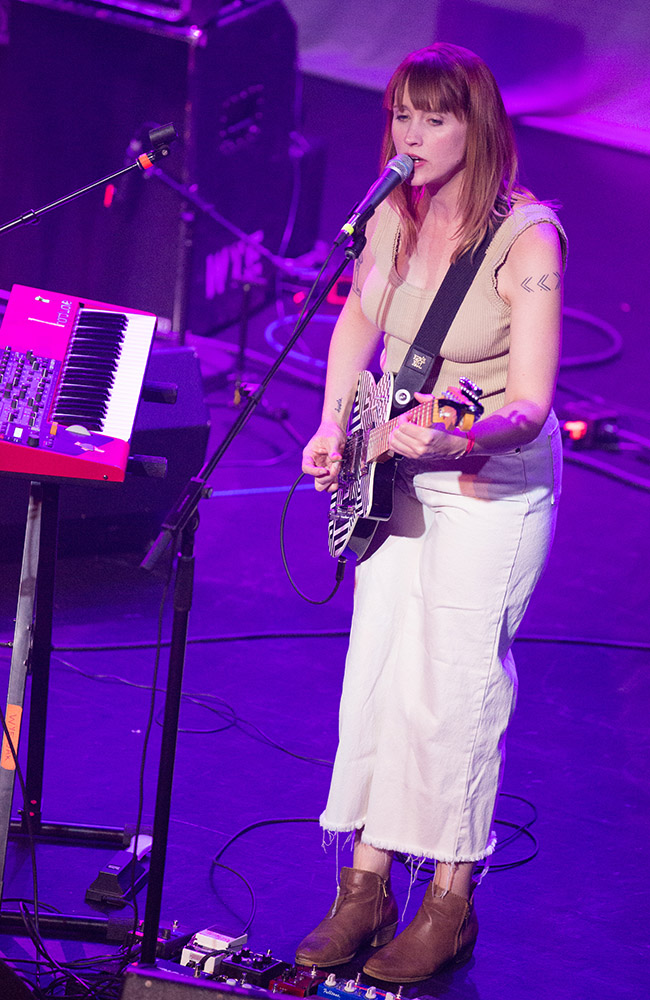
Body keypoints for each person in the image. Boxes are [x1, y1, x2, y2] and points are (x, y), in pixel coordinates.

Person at [296, 42, 567, 982]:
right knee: (378, 671)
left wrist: (459, 440)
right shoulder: (392, 217)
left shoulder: (526, 237)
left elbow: (532, 399)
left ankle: (450, 902)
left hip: (492, 476)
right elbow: (359, 323)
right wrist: (335, 423)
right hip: (393, 465)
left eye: (435, 117)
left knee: (454, 687)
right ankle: (364, 885)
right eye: (403, 115)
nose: (412, 134)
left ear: (477, 124)